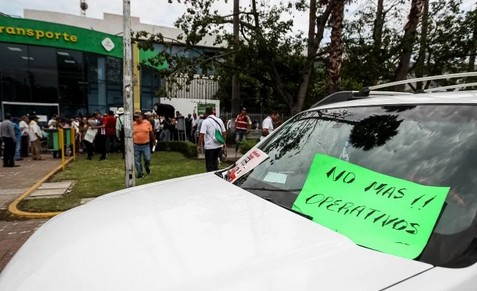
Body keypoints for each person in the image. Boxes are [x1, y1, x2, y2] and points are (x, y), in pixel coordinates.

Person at [198, 107, 226, 172]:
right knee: (215, 164)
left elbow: (202, 135)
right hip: (219, 146)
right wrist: (224, 143)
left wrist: (199, 145)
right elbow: (224, 133)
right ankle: (216, 177)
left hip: (209, 147)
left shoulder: (205, 122)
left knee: (209, 166)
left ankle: (211, 179)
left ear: (206, 113)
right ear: (213, 112)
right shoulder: (219, 120)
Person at [133, 111, 155, 178]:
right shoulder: (133, 124)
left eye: (138, 117)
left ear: (141, 116)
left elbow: (151, 133)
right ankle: (140, 173)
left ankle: (147, 167)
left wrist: (154, 141)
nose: (136, 118)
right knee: (137, 161)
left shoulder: (147, 123)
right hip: (136, 145)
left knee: (147, 159)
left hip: (146, 145)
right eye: (135, 117)